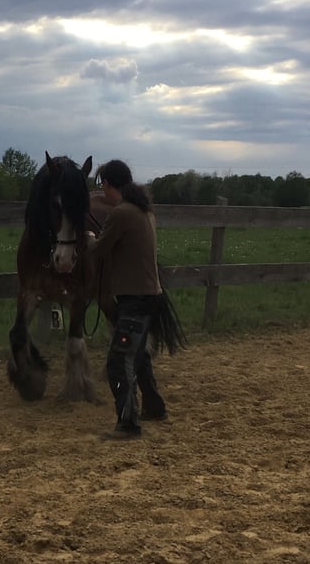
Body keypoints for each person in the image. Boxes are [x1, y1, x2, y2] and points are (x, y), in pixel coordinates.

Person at [86, 159, 185, 440]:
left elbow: (100, 250)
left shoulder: (121, 213)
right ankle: (154, 407)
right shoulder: (144, 210)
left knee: (118, 361)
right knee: (138, 355)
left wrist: (89, 237)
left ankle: (128, 423)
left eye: (101, 185)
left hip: (134, 300)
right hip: (149, 296)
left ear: (106, 184)